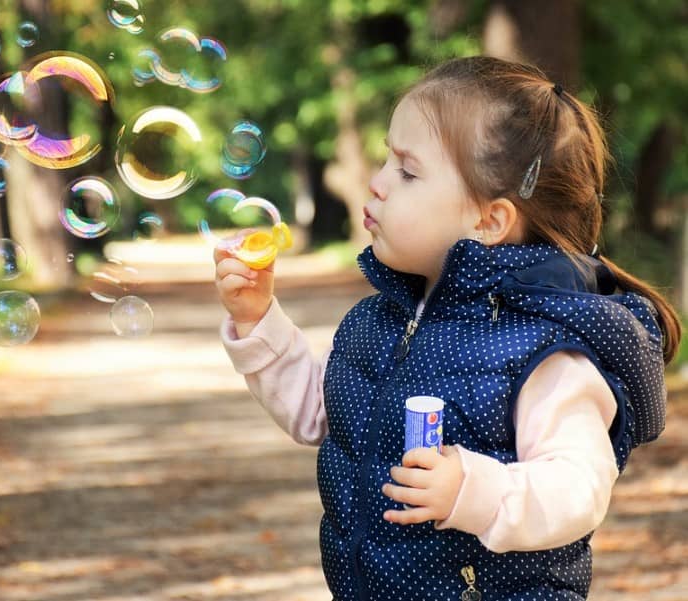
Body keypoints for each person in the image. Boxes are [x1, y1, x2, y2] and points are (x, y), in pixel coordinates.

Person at [213, 56, 682, 601]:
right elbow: (323, 413)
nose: (378, 182)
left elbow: (579, 486)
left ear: (488, 221)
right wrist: (257, 319)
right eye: (388, 160)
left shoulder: (541, 348)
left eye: (408, 171)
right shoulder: (380, 319)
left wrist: (474, 490)